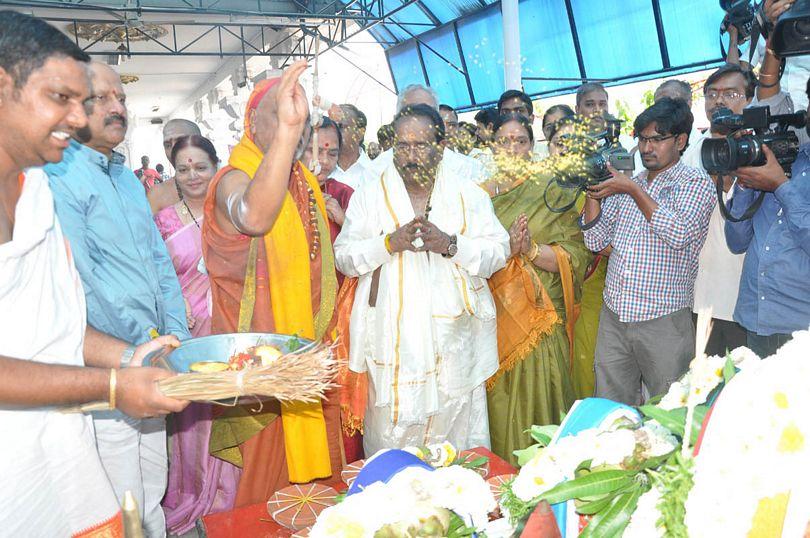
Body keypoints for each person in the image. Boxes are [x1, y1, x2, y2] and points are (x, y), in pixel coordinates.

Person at [0, 13, 186, 536]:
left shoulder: (34, 190)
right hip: (12, 466)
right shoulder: (54, 183)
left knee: (142, 507)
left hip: (56, 445)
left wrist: (132, 359)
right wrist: (111, 384)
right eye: (62, 98)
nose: (79, 119)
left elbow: (56, 325)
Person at [45, 62, 191, 537]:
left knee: (154, 486)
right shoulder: (58, 179)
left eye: (122, 99)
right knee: (120, 500)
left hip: (153, 359)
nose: (117, 108)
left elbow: (159, 262)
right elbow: (80, 285)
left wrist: (176, 338)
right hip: (105, 369)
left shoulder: (127, 178)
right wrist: (128, 355)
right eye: (102, 98)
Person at [202, 63, 343, 506]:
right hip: (261, 369)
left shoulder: (304, 181)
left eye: (298, 111)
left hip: (309, 353)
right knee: (265, 494)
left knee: (322, 493)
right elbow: (252, 216)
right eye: (281, 111)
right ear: (251, 122)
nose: (294, 120)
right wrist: (286, 132)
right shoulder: (233, 178)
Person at [334, 104, 509, 455]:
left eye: (420, 145)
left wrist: (450, 245)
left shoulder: (468, 195)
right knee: (390, 445)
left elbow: (498, 252)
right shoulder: (370, 196)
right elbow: (345, 256)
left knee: (456, 445)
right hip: (392, 345)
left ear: (441, 146)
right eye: (402, 146)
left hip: (454, 341)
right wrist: (388, 243)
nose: (410, 155)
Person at [582, 98, 715, 405]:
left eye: (657, 139)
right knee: (612, 408)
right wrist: (592, 189)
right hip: (615, 316)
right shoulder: (629, 183)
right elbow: (596, 241)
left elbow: (679, 234)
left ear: (681, 141)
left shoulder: (694, 183)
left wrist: (633, 190)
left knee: (671, 409)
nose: (646, 148)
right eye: (642, 139)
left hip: (664, 320)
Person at [485, 114, 588, 465]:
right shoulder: (474, 198)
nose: (512, 148)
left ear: (533, 146)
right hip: (491, 320)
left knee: (541, 404)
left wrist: (528, 249)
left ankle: (546, 479)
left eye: (521, 141)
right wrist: (502, 252)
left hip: (540, 320)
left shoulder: (552, 190)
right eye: (504, 141)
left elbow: (574, 255)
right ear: (492, 147)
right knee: (496, 408)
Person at [154, 135, 241, 534]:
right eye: (183, 169)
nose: (192, 176)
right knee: (195, 420)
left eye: (200, 167)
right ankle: (196, 491)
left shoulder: (235, 212)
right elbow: (157, 274)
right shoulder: (165, 219)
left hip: (232, 326)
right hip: (190, 332)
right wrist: (175, 302)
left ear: (216, 166)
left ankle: (233, 495)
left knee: (233, 408)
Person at [723, 30, 810, 357]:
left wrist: (780, 187)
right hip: (755, 318)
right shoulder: (784, 155)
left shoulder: (780, 173)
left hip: (802, 329)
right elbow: (737, 241)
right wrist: (746, 182)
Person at [681, 65, 756, 356]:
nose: (719, 101)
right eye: (711, 94)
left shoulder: (763, 149)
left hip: (746, 298)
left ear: (750, 100)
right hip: (701, 296)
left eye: (730, 94)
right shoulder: (691, 151)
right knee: (705, 388)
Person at [368, 84, 485, 183]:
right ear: (395, 121)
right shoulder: (375, 172)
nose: (418, 121)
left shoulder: (470, 170)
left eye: (427, 113)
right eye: (410, 113)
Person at [148, 118, 202, 213]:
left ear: (201, 143)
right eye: (168, 145)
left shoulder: (224, 184)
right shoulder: (157, 195)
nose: (174, 150)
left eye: (180, 141)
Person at [330, 103, 374, 189]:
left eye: (341, 126)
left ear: (360, 133)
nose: (334, 132)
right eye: (332, 126)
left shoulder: (374, 173)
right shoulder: (320, 170)